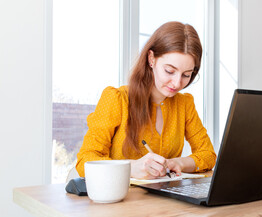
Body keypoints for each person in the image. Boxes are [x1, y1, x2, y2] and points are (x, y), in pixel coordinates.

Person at [76, 21, 216, 179]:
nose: (177, 83)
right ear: (151, 59)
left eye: (186, 75)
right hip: (123, 200)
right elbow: (84, 161)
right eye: (169, 71)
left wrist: (178, 163)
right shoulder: (117, 99)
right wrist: (131, 168)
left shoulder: (184, 104)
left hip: (166, 200)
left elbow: (208, 155)